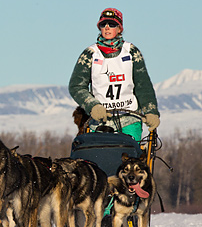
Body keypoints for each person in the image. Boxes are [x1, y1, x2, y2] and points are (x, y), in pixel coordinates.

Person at [68, 7, 160, 140]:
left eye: (112, 24)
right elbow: (76, 86)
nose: (107, 27)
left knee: (130, 157)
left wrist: (151, 111)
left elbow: (143, 86)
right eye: (103, 24)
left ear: (119, 28)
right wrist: (92, 106)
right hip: (100, 120)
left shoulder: (131, 52)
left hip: (130, 119)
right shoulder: (90, 54)